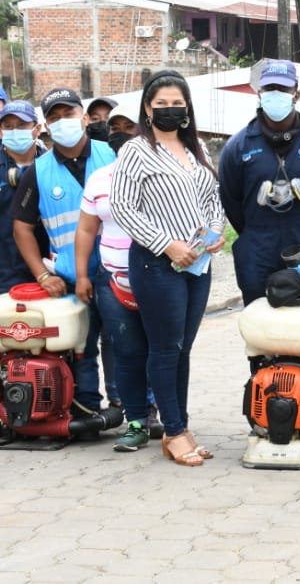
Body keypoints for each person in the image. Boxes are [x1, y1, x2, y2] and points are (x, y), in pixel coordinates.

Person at [111, 71, 225, 466]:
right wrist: (167, 244)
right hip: (156, 264)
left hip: (198, 264)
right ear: (147, 108)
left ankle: (182, 426)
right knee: (165, 348)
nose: (170, 110)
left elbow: (212, 197)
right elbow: (123, 207)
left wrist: (215, 232)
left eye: (177, 104)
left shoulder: (197, 148)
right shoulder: (135, 151)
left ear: (187, 107)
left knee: (183, 349)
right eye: (161, 104)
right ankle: (173, 432)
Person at [12, 87, 117, 416]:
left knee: (125, 343)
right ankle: (88, 411)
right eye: (54, 118)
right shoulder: (38, 171)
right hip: (72, 278)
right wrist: (43, 275)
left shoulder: (114, 155)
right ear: (46, 127)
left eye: (68, 114)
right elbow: (21, 228)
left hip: (118, 271)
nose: (62, 122)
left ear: (83, 118)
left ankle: (133, 409)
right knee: (80, 347)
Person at [219, 59, 300, 307]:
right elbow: (231, 201)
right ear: (259, 93)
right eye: (269, 88)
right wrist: (256, 234)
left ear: (296, 94)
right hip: (258, 249)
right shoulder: (238, 146)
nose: (275, 94)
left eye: (283, 88)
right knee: (262, 320)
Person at [75, 104, 157, 452]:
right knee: (126, 350)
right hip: (112, 277)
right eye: (114, 127)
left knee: (162, 349)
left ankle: (167, 418)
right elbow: (86, 229)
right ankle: (136, 420)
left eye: (128, 126)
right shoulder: (100, 178)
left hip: (158, 276)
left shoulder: (163, 172)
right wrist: (82, 274)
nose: (120, 133)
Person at [0, 100, 46, 293]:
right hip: (4, 271)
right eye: (8, 126)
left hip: (48, 269)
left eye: (22, 125)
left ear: (37, 129)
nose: (15, 131)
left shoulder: (51, 165)